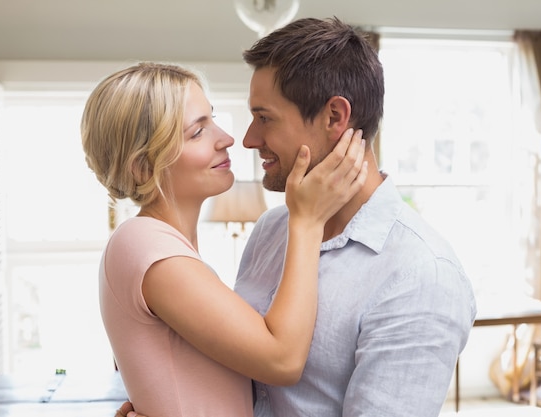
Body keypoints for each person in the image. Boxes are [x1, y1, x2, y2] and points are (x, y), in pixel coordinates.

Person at [117, 17, 477, 417]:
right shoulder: (273, 230)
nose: (248, 139)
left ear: (335, 117)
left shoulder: (421, 274)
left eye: (265, 117)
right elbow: (243, 374)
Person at [81, 61, 368, 417]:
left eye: (212, 120)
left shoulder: (161, 248)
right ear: (143, 166)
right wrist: (307, 221)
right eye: (198, 132)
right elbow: (282, 359)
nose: (228, 139)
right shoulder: (144, 245)